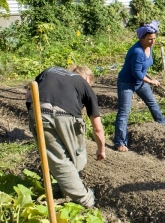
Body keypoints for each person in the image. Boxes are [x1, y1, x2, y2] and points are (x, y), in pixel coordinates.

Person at [27, 65, 106, 208]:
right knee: (70, 157)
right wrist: (101, 149)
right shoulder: (84, 85)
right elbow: (97, 127)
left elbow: (28, 95)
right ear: (87, 79)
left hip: (39, 111)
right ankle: (86, 199)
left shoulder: (50, 71)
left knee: (57, 156)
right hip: (67, 116)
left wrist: (33, 116)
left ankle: (66, 187)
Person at [114, 20, 165, 152]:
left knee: (152, 103)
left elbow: (143, 68)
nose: (153, 41)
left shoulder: (150, 47)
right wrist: (151, 81)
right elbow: (136, 73)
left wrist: (148, 78)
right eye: (150, 39)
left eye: (154, 38)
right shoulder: (137, 51)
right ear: (142, 38)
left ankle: (163, 123)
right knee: (124, 112)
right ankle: (120, 142)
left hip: (140, 82)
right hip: (127, 83)